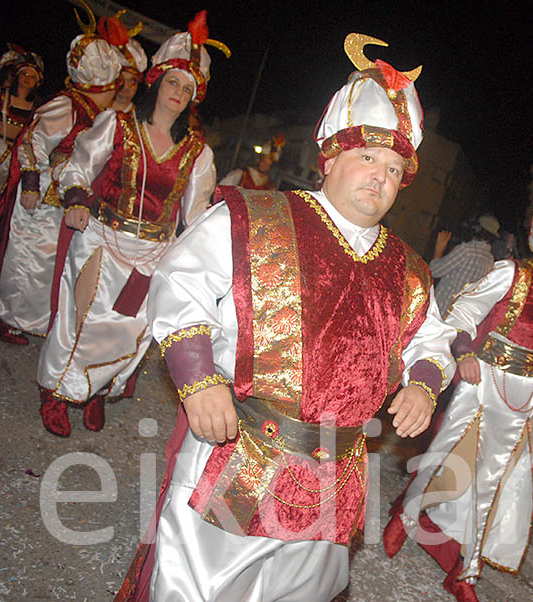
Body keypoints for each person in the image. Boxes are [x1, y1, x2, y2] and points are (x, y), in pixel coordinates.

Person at [114, 33, 455, 602]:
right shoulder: (260, 216)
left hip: (336, 473)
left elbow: (433, 339)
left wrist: (423, 382)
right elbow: (181, 280)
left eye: (395, 169)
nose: (380, 176)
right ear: (331, 158)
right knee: (197, 586)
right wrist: (197, 377)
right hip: (243, 450)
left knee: (302, 592)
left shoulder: (409, 269)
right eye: (367, 158)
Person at [384, 187, 533, 602]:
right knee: (445, 459)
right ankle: (405, 515)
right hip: (482, 383)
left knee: (493, 483)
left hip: (521, 402)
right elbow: (463, 312)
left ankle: (465, 572)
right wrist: (464, 353)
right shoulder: (513, 274)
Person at [36, 11, 225, 438]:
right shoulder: (116, 124)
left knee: (133, 332)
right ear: (156, 82)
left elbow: (195, 215)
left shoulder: (198, 153)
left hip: (153, 252)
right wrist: (77, 198)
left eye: (188, 88)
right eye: (173, 82)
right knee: (80, 321)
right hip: (102, 239)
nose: (178, 92)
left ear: (196, 97)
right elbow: (76, 167)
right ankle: (57, 392)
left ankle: (100, 390)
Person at [0, 6, 121, 345]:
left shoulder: (99, 111)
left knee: (50, 264)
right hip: (44, 194)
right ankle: (5, 317)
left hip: (69, 196)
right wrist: (32, 182)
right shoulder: (68, 104)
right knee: (26, 260)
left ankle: (35, 320)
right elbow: (34, 139)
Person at [0, 44, 44, 197]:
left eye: (32, 77)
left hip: (13, 159)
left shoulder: (38, 108)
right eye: (25, 74)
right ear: (17, 76)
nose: (27, 79)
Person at [429, 213, 499, 315]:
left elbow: (434, 271)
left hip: (441, 310)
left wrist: (439, 249)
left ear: (477, 229)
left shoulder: (466, 250)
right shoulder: (490, 259)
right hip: (458, 316)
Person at [101, 13, 147, 114]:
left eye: (132, 81)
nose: (126, 87)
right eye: (121, 80)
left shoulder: (140, 120)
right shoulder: (91, 110)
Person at [219, 133, 286, 190]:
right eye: (264, 162)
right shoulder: (241, 174)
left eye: (269, 165)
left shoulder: (270, 186)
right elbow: (221, 190)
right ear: (258, 160)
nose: (266, 166)